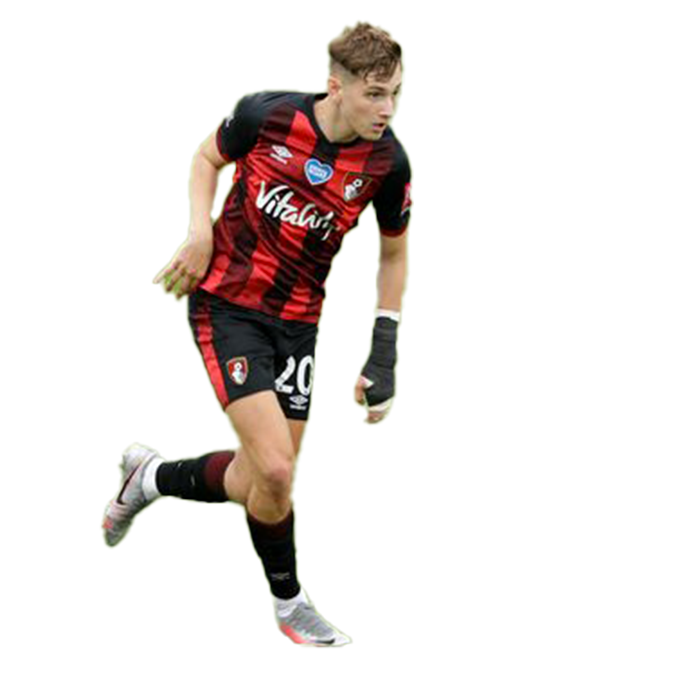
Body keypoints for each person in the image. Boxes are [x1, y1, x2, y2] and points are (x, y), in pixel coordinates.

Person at [102, 22, 412, 649]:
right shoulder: (266, 116)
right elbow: (206, 158)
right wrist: (200, 230)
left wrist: (384, 351)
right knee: (274, 468)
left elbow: (393, 252)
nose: (388, 110)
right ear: (336, 87)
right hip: (227, 306)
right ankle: (292, 608)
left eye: (396, 94)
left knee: (264, 481)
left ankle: (150, 477)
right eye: (375, 94)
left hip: (298, 324)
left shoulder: (388, 163)